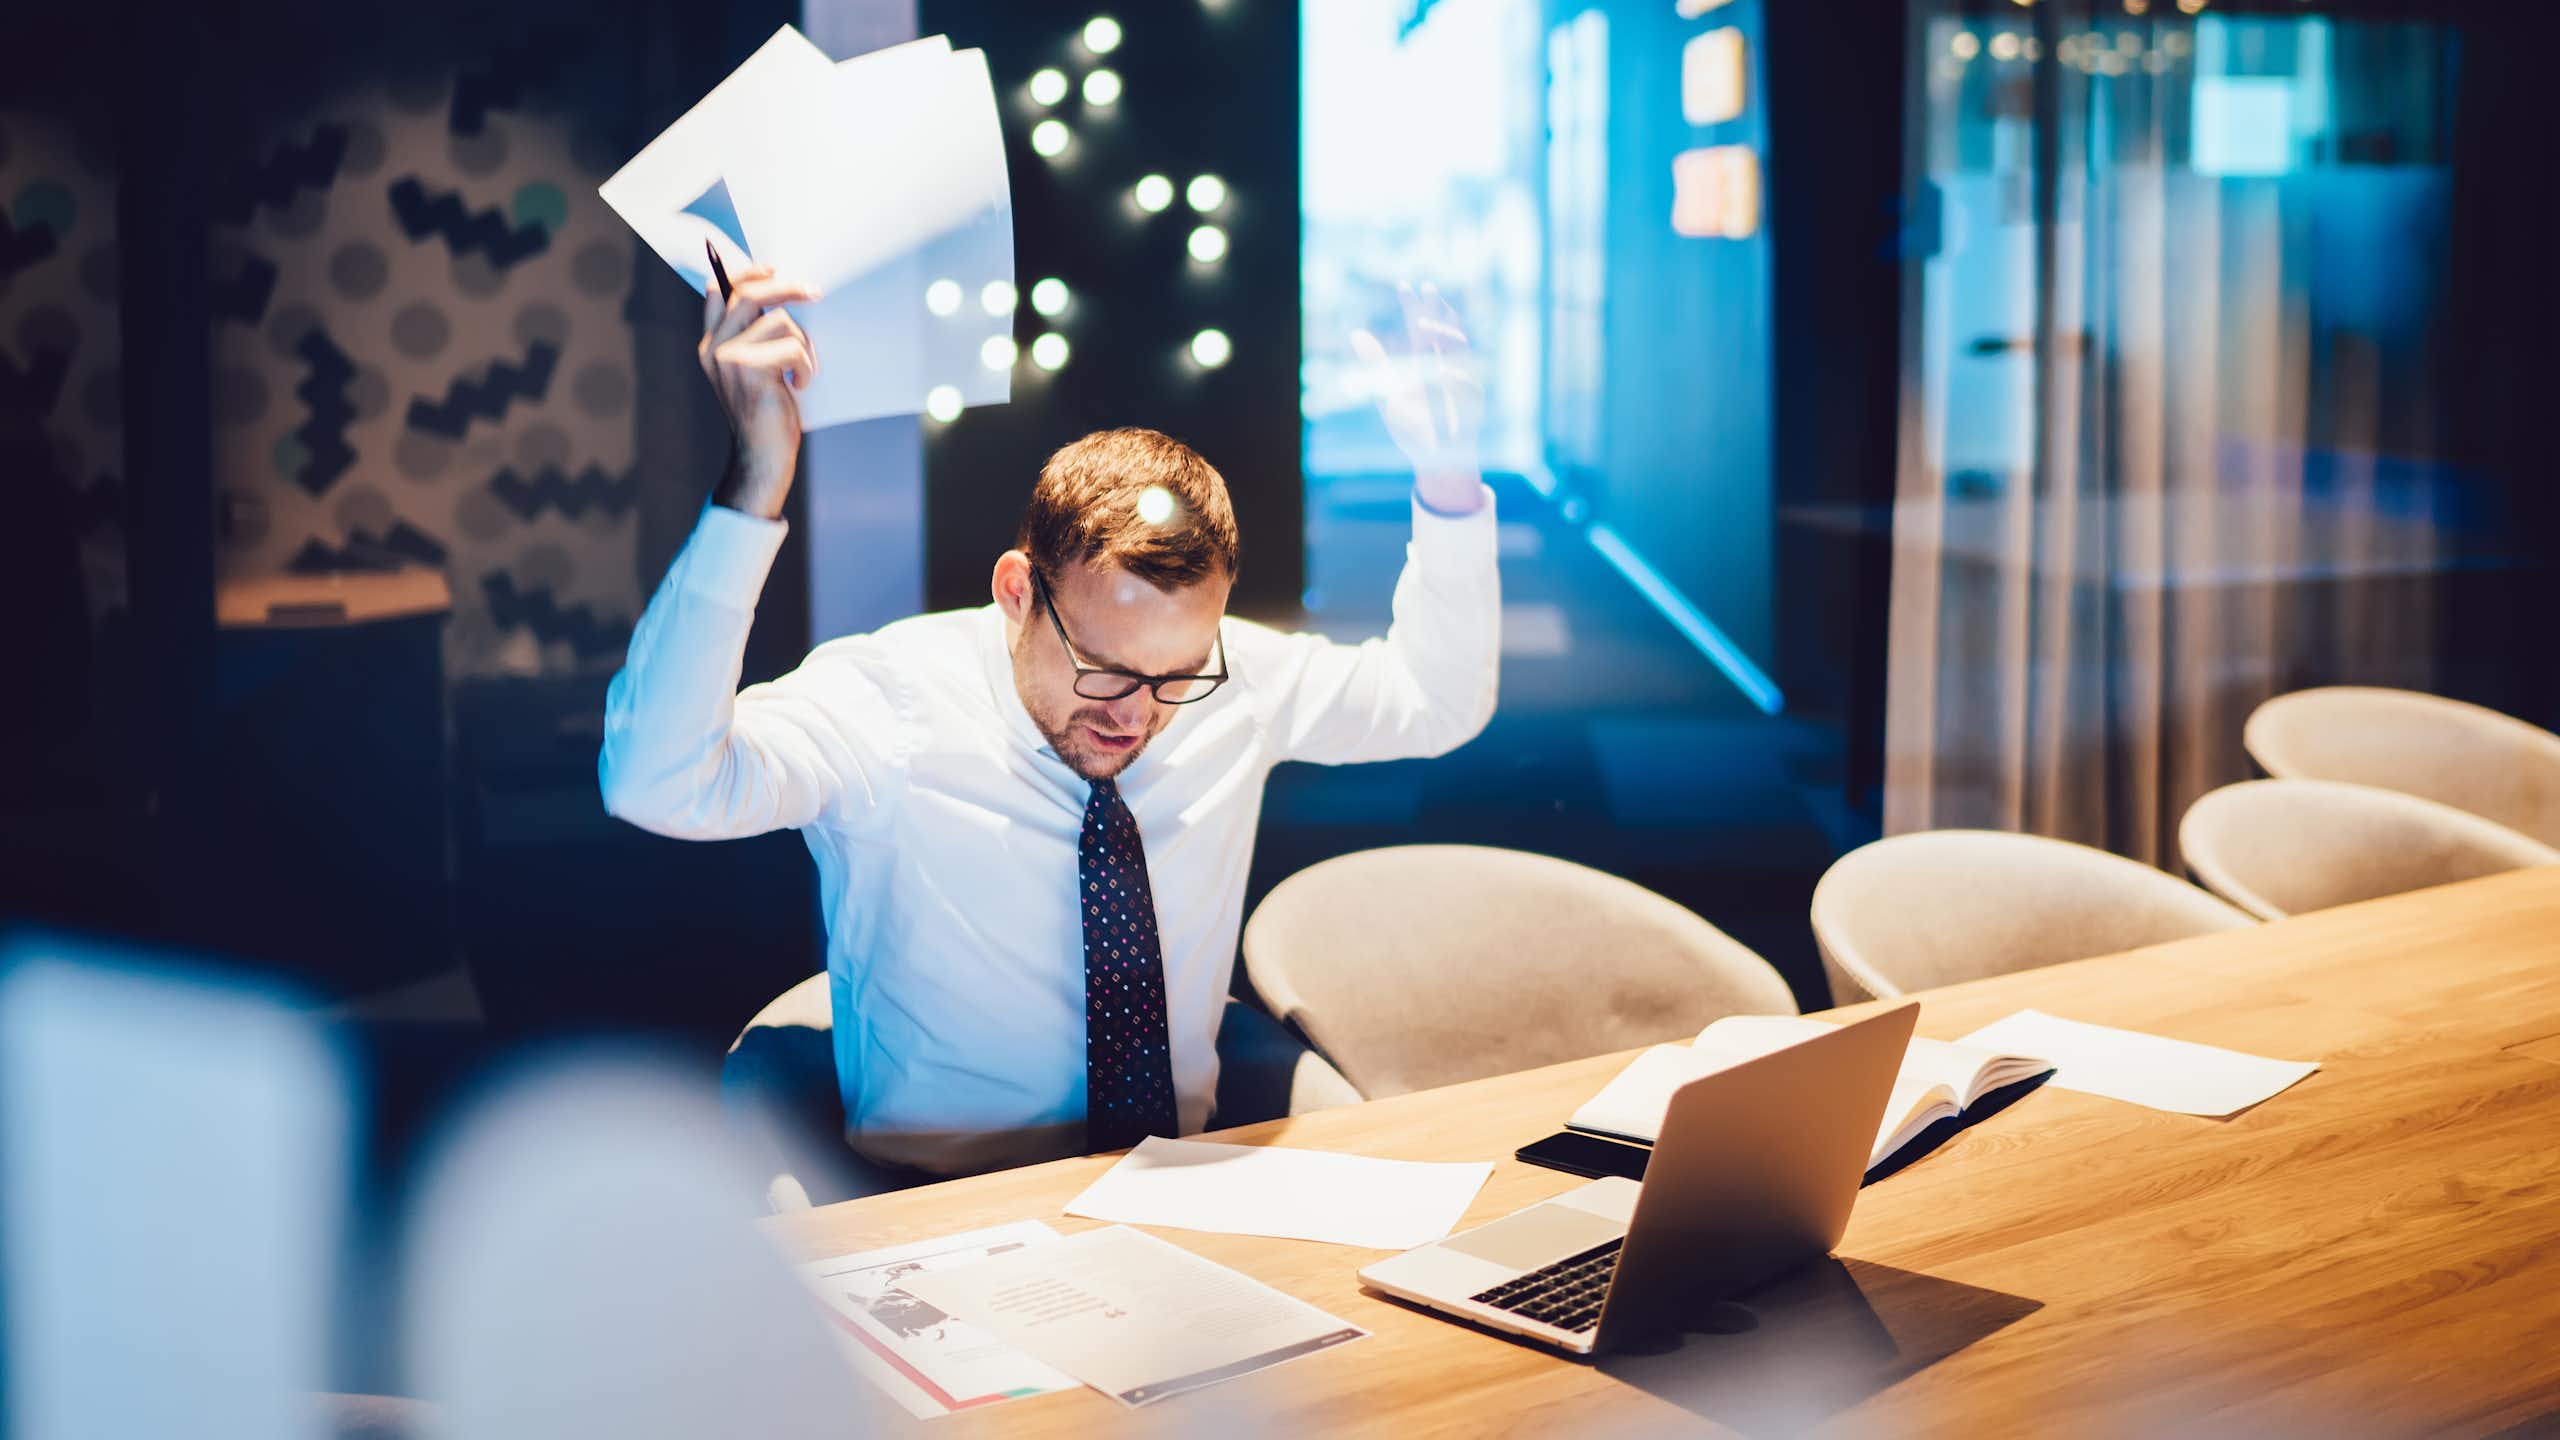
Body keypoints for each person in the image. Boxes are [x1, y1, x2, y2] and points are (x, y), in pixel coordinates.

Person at [600, 265, 1500, 1178]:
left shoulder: (1237, 680)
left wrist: (1450, 474)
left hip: (1185, 1194)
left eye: (1178, 673)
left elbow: (1437, 700)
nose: (1139, 712)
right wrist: (755, 482)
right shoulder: (886, 702)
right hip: (941, 1211)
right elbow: (657, 782)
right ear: (1017, 591)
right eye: (1106, 669)